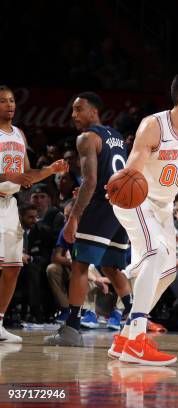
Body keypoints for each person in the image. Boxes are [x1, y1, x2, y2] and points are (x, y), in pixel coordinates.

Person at [109, 72, 178, 365]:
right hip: (136, 198)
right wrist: (120, 186)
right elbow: (132, 172)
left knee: (168, 272)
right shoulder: (153, 125)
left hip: (163, 206)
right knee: (155, 253)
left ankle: (124, 337)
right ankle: (136, 338)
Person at [44, 92, 134, 347]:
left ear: (93, 111)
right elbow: (107, 176)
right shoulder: (116, 136)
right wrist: (87, 189)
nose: (73, 115)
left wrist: (73, 217)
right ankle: (135, 316)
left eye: (78, 109)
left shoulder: (86, 138)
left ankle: (72, 328)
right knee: (111, 266)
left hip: (100, 208)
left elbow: (92, 181)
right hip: (121, 207)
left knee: (80, 264)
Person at [0, 85, 68, 343]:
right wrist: (6, 176)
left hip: (9, 205)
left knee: (13, 268)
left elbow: (26, 176)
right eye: (4, 101)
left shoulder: (19, 134)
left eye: (12, 100)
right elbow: (11, 175)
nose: (10, 105)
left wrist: (49, 170)